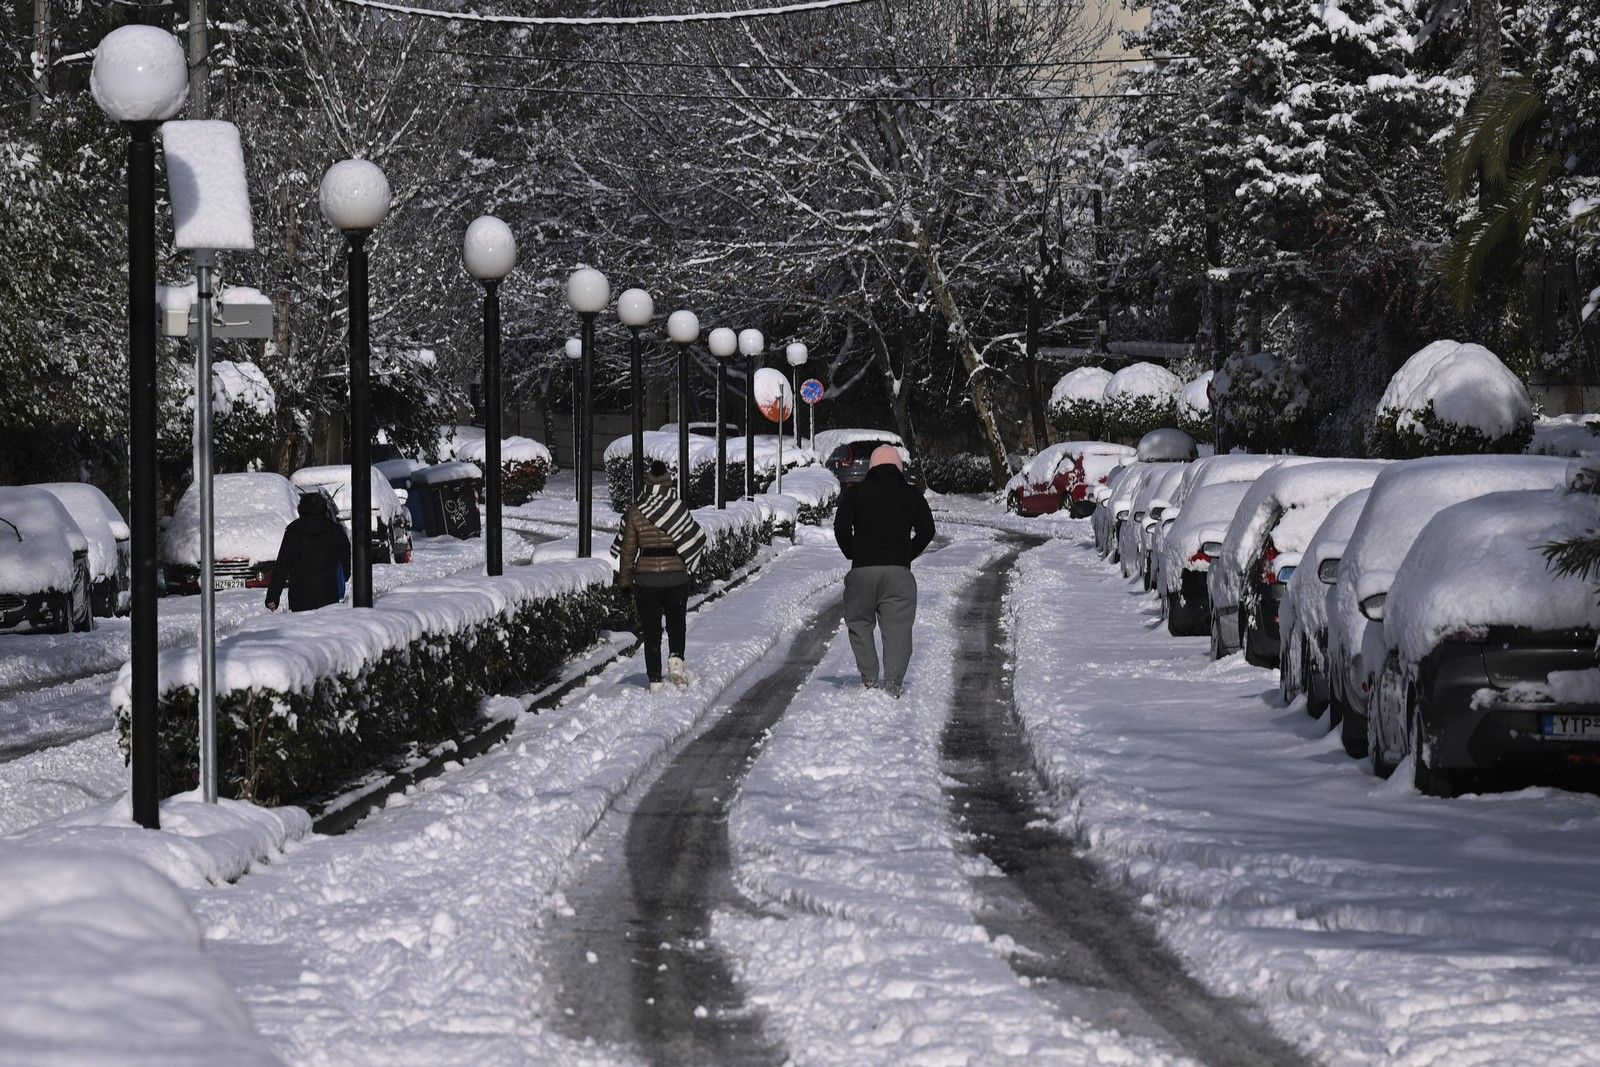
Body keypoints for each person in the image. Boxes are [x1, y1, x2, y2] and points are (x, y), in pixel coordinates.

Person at [832, 444, 935, 697]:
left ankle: (869, 678)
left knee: (859, 623)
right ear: (898, 467)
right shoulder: (911, 495)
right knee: (898, 628)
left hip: (862, 572)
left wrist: (852, 551)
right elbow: (927, 530)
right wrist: (906, 554)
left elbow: (841, 527)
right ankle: (893, 685)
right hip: (899, 574)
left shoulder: (857, 493)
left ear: (872, 468)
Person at [612, 460, 706, 692]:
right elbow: (690, 540)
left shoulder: (636, 510)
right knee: (676, 624)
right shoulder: (678, 507)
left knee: (651, 629)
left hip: (646, 581)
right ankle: (676, 666)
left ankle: (654, 679)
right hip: (676, 579)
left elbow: (627, 551)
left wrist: (625, 582)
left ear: (647, 482)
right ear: (668, 481)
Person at [265, 491, 352, 613]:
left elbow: (282, 566)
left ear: (301, 509)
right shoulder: (335, 530)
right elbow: (345, 559)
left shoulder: (293, 531)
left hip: (299, 597)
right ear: (324, 509)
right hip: (328, 594)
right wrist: (341, 578)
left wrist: (273, 596)